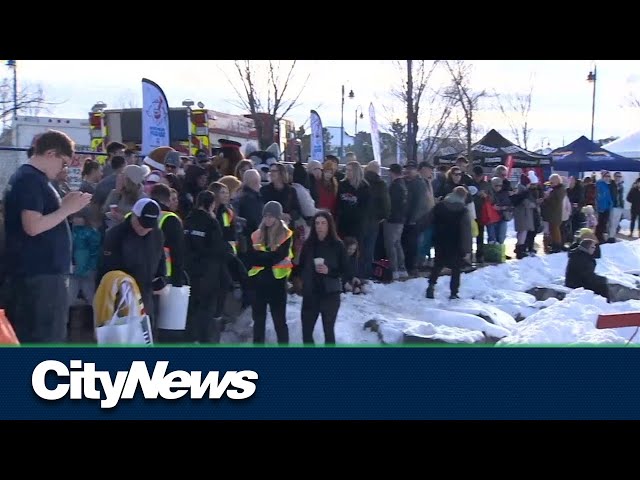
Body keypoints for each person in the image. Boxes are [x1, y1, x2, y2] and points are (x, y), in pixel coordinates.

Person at [4, 130, 92, 343]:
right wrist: (66, 209)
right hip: (40, 277)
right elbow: (32, 226)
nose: (64, 170)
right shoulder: (30, 180)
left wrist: (63, 205)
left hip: (36, 275)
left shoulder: (30, 179)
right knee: (45, 338)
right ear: (51, 153)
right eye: (63, 163)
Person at [98, 198, 167, 330]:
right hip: (121, 298)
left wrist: (161, 277)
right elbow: (105, 269)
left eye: (148, 226)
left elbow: (161, 258)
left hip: (146, 297)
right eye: (141, 224)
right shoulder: (116, 235)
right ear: (134, 215)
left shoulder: (157, 234)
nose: (144, 229)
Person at [183, 190, 232, 343]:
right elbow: (217, 248)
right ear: (211, 205)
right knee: (205, 311)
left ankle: (189, 340)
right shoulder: (211, 222)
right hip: (208, 273)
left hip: (189, 271)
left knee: (190, 310)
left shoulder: (188, 220)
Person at [298, 211, 352, 345]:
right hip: (311, 293)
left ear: (329, 225)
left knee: (328, 331)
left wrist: (329, 271)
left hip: (330, 293)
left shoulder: (337, 245)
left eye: (323, 223)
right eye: (317, 223)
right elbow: (301, 266)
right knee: (306, 331)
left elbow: (346, 270)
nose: (319, 226)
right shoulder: (308, 244)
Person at [246, 201, 293, 344]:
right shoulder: (256, 234)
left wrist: (263, 257)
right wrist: (268, 258)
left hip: (277, 284)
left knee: (279, 322)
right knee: (258, 322)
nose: (268, 219)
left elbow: (278, 256)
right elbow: (251, 258)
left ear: (278, 217)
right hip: (259, 284)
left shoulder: (285, 235)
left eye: (271, 216)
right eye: (265, 216)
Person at [426, 186, 472, 300]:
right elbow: (466, 231)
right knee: (456, 269)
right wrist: (467, 250)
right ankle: (453, 293)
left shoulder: (440, 206)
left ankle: (431, 286)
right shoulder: (463, 210)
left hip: (440, 240)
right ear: (463, 197)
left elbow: (427, 220)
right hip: (456, 243)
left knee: (438, 265)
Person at [384, 164, 408, 280]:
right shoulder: (403, 185)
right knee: (397, 244)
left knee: (391, 245)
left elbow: (390, 204)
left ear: (392, 172)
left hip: (392, 219)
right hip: (401, 219)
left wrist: (386, 215)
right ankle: (402, 268)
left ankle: (394, 269)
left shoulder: (394, 186)